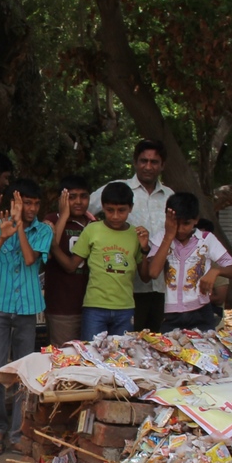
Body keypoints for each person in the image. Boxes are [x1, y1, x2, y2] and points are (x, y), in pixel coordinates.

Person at [0, 179, 52, 454]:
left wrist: (20, 226)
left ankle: (18, 432)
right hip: (0, 305)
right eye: (25, 203)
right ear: (12, 204)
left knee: (24, 373)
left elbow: (31, 260)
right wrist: (2, 236)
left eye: (35, 203)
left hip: (28, 309)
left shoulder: (43, 230)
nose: (31, 208)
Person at [88, 140, 174, 332]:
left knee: (157, 342)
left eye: (154, 162)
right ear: (135, 162)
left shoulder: (169, 196)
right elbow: (85, 209)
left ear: (162, 165)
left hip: (162, 287)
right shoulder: (117, 188)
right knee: (127, 343)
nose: (148, 167)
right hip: (125, 288)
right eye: (144, 161)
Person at [146, 191, 232, 332]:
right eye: (176, 223)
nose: (180, 229)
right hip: (169, 314)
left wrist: (215, 271)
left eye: (186, 223)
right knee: (169, 346)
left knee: (205, 345)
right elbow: (153, 272)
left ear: (196, 220)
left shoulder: (206, 239)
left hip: (201, 312)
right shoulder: (161, 238)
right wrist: (169, 236)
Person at [68, 181, 149, 338]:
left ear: (131, 208)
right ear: (103, 207)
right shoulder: (92, 230)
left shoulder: (136, 234)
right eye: (110, 210)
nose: (115, 216)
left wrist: (145, 248)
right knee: (92, 351)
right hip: (95, 307)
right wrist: (53, 246)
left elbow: (145, 276)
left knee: (121, 353)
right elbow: (72, 265)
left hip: (125, 309)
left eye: (121, 210)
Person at [45, 175, 94, 346]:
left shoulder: (94, 224)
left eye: (83, 196)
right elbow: (48, 251)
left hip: (92, 307)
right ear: (61, 199)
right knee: (64, 355)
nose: (78, 202)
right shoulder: (51, 220)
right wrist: (64, 216)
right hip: (62, 306)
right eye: (72, 197)